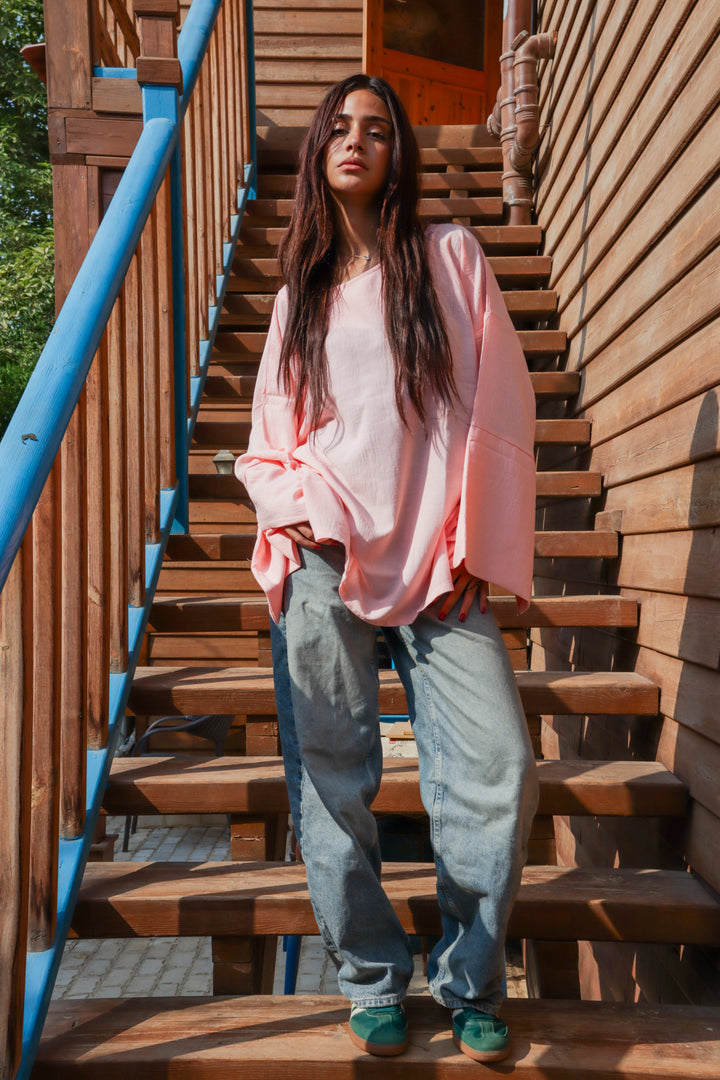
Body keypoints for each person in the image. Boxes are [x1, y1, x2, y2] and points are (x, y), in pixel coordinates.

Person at [235, 73, 539, 1063]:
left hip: (438, 563)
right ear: (320, 150)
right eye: (340, 126)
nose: (357, 139)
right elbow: (265, 448)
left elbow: (499, 403)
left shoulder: (450, 258)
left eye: (377, 127)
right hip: (326, 555)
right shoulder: (298, 301)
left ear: (397, 152)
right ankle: (370, 976)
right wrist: (299, 519)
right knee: (330, 773)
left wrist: (472, 541)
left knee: (499, 767)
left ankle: (467, 976)